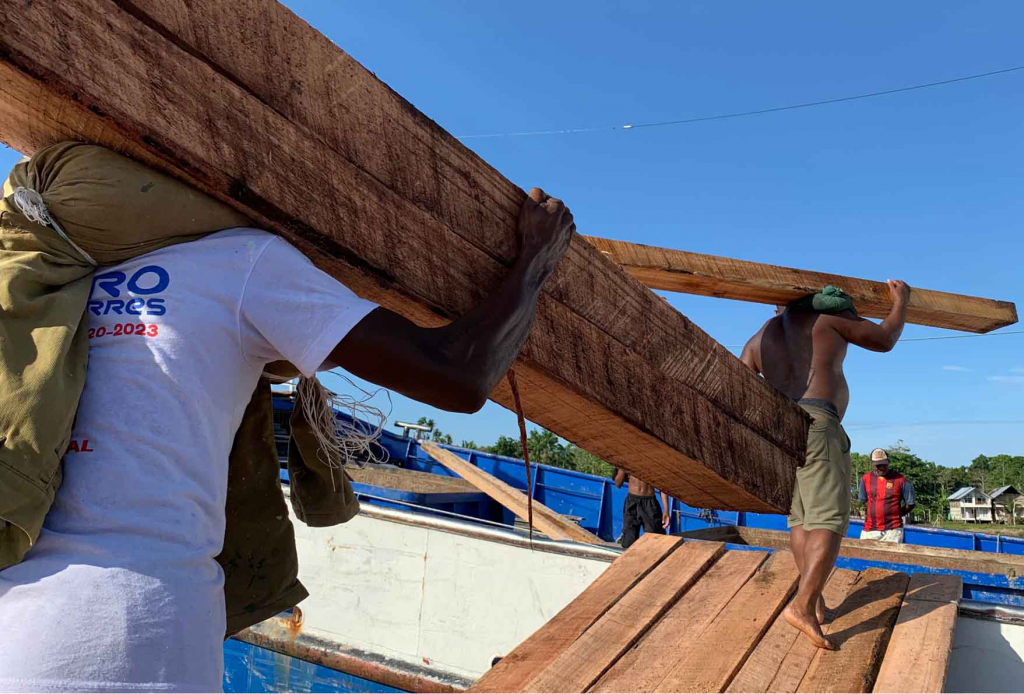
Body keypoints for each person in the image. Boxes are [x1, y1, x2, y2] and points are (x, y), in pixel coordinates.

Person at [0, 187, 575, 691]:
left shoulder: (43, 271)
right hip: (135, 638)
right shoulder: (245, 260)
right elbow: (455, 374)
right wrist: (535, 261)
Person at [739, 281, 911, 650]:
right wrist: (901, 301)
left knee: (802, 520)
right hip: (819, 424)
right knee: (830, 521)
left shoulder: (762, 335)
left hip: (783, 429)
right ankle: (801, 606)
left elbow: (740, 376)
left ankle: (814, 604)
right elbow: (884, 338)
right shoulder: (827, 321)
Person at [859, 448, 915, 543]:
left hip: (893, 530)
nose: (881, 467)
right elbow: (864, 501)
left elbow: (910, 504)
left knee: (892, 557)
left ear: (888, 462)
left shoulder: (901, 480)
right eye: (878, 465)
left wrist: (895, 515)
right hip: (870, 529)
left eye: (884, 464)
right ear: (873, 464)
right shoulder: (865, 479)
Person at [613, 467, 671, 548]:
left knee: (653, 538)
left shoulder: (654, 462)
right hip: (631, 503)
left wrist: (666, 510)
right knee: (629, 539)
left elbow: (663, 487)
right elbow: (617, 484)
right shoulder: (628, 460)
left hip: (649, 504)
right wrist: (623, 467)